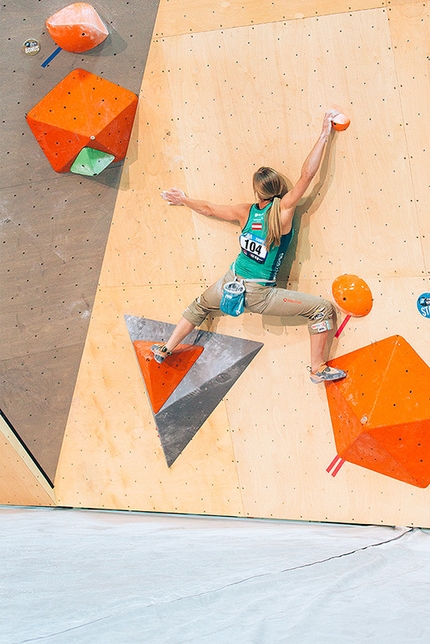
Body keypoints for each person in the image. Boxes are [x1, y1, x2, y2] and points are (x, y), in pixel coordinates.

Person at [152, 109, 346, 384]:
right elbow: (307, 175)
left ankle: (165, 348)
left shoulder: (246, 211)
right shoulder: (283, 210)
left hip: (230, 282)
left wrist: (184, 199)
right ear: (280, 187)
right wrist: (324, 134)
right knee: (321, 309)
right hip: (258, 294)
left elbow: (208, 208)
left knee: (199, 306)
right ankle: (317, 368)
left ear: (257, 193)